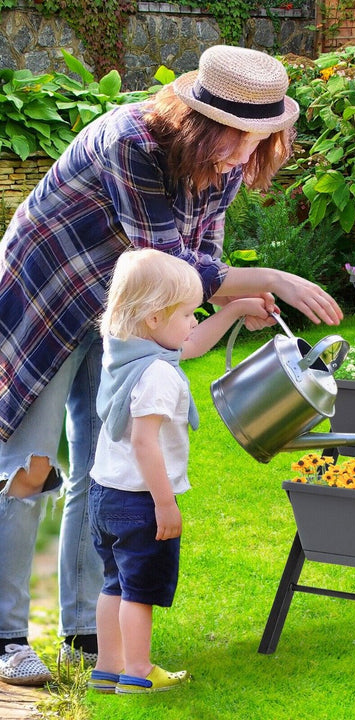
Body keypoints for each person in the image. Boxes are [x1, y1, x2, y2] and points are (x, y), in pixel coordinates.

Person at [0, 44, 343, 686]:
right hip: (49, 292)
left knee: (104, 464)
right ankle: (5, 636)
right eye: (235, 137)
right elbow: (168, 259)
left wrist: (234, 300)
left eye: (259, 138)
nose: (244, 154)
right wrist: (267, 276)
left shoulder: (230, 161)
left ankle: (83, 629)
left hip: (129, 310)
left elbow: (199, 259)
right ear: (197, 120)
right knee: (30, 467)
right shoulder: (129, 141)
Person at [88, 248, 250, 694]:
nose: (194, 322)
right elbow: (145, 443)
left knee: (114, 584)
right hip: (141, 499)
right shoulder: (157, 374)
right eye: (187, 314)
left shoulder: (122, 349)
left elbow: (190, 344)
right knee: (140, 591)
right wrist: (164, 503)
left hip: (104, 493)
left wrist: (235, 309)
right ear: (155, 319)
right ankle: (138, 673)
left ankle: (108, 668)